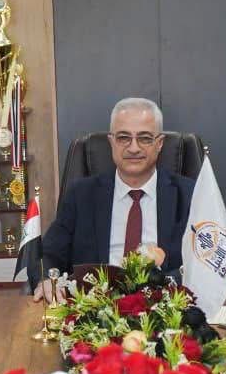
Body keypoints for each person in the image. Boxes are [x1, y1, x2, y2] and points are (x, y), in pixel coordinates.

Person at [36, 97, 195, 301]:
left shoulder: (189, 195)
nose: (134, 148)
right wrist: (47, 279)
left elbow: (207, 264)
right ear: (111, 142)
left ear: (160, 143)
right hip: (95, 307)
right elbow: (47, 255)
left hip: (164, 306)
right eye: (123, 138)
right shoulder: (81, 195)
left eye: (145, 138)